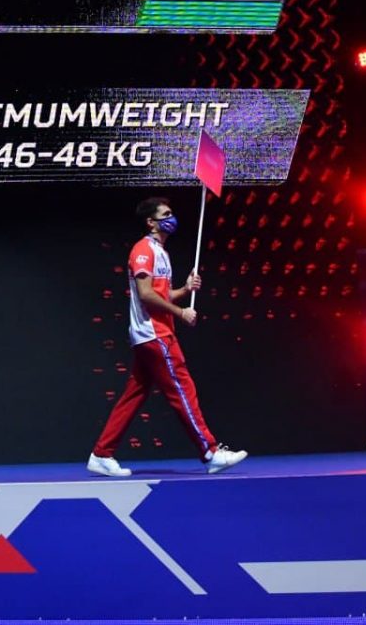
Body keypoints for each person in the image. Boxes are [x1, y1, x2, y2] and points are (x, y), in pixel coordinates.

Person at [87, 197, 248, 477]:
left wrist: (185, 290)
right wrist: (181, 313)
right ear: (151, 222)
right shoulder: (143, 250)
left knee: (134, 395)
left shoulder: (161, 252)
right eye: (166, 214)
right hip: (154, 334)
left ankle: (101, 454)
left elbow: (161, 294)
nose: (172, 218)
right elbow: (146, 295)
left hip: (154, 334)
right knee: (183, 389)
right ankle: (210, 452)